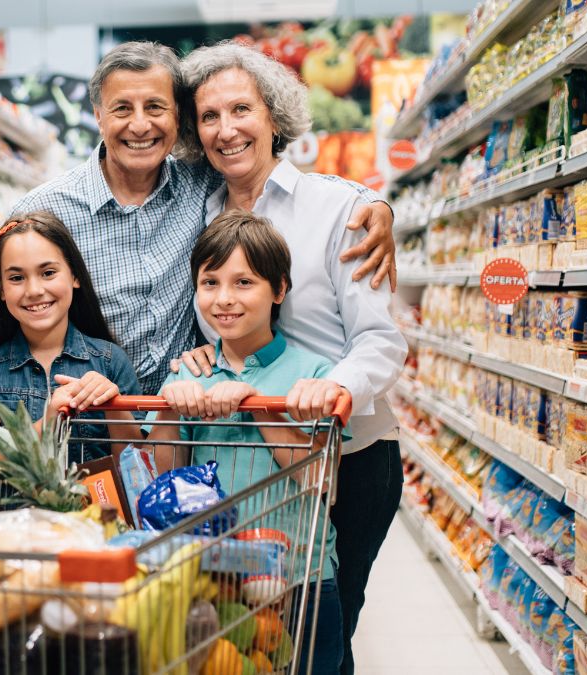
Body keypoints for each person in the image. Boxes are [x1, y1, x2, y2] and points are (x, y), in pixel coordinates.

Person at [0, 41, 398, 481]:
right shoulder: (51, 208)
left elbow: (276, 179)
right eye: (121, 109)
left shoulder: (202, 187)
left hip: (235, 432)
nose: (140, 125)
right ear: (98, 116)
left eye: (155, 107)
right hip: (105, 435)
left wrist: (376, 205)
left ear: (176, 121)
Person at [173, 42, 408, 675]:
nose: (226, 130)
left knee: (323, 631)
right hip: (244, 462)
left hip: (348, 460)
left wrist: (325, 391)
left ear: (274, 116)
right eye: (209, 116)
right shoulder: (196, 212)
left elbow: (382, 341)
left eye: (241, 109)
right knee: (248, 642)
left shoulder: (340, 208)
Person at [145, 211, 344, 674]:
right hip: (217, 580)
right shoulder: (190, 372)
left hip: (303, 577)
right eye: (210, 283)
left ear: (278, 290)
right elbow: (164, 475)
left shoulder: (313, 374)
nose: (223, 299)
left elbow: (322, 480)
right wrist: (170, 409)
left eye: (243, 283)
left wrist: (257, 404)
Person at [0, 212, 141, 480]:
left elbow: (136, 468)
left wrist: (116, 406)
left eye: (48, 273)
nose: (34, 290)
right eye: (16, 278)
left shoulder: (110, 361)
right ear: (0, 290)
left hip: (97, 517)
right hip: (20, 520)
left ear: (74, 276)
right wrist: (46, 423)